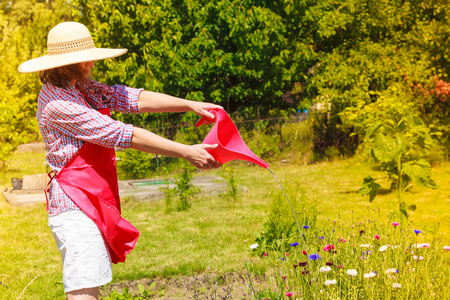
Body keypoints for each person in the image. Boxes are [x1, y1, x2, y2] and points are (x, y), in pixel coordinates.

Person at [18, 21, 222, 300]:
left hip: (89, 198)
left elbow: (128, 97)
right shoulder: (58, 103)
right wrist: (186, 151)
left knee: (93, 280)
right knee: (84, 289)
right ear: (64, 64)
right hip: (75, 205)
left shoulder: (82, 87)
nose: (90, 63)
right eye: (84, 59)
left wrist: (188, 104)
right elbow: (122, 134)